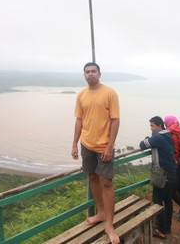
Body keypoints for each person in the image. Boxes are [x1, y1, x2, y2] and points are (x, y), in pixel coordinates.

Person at [71, 62, 121, 244]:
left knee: (106, 182)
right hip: (87, 144)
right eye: (87, 72)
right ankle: (100, 213)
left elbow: (115, 120)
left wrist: (109, 146)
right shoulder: (81, 95)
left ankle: (110, 224)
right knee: (92, 177)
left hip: (104, 146)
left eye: (93, 71)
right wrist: (75, 144)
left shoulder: (109, 93)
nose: (90, 74)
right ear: (84, 75)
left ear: (99, 74)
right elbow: (79, 120)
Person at [139, 116, 177, 240]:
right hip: (172, 172)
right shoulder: (168, 135)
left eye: (153, 126)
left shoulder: (158, 137)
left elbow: (142, 145)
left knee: (157, 201)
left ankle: (161, 231)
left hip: (161, 175)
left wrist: (148, 138)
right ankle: (167, 227)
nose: (151, 128)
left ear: (160, 126)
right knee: (168, 201)